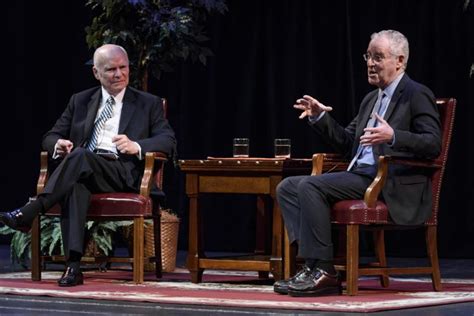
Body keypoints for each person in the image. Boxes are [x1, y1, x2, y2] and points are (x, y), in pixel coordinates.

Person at [273, 30, 441, 297]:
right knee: (288, 187)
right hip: (360, 174)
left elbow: (433, 143)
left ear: (399, 61)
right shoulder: (371, 99)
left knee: (309, 186)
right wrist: (320, 118)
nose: (370, 63)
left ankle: (324, 270)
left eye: (378, 57)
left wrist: (394, 135)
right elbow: (348, 143)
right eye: (368, 57)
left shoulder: (416, 94)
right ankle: (312, 266)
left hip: (390, 181)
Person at [0, 44, 176, 287]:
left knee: (80, 157)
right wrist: (58, 143)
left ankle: (31, 211)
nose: (119, 74)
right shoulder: (80, 101)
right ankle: (73, 267)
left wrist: (136, 145)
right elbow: (50, 136)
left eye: (123, 68)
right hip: (83, 169)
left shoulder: (148, 103)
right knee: (76, 183)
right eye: (111, 69)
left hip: (121, 172)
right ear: (96, 73)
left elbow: (168, 140)